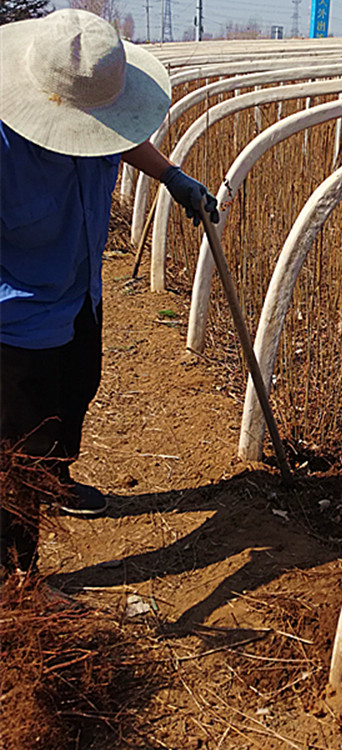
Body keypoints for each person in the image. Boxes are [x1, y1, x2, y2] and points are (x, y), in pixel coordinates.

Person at [0, 9, 220, 577]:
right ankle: (18, 581)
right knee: (16, 456)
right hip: (14, 321)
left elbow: (117, 137)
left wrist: (171, 174)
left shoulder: (94, 111)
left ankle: (58, 477)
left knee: (77, 389)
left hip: (78, 294)